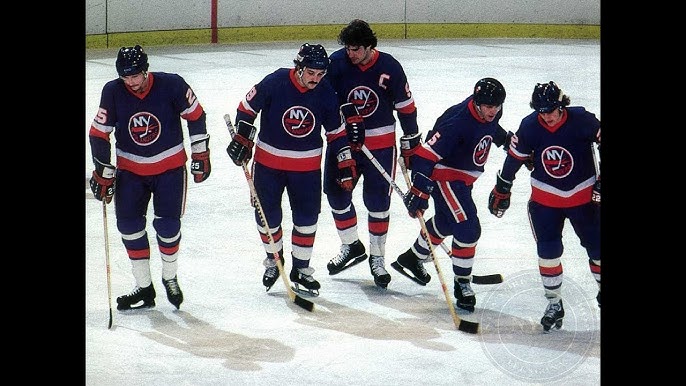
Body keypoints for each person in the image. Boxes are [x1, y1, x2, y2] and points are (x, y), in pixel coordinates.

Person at [88, 45, 211, 311]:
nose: (131, 82)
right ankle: (144, 287)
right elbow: (99, 133)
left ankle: (169, 277)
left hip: (170, 170)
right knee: (129, 227)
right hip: (131, 172)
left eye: (136, 76)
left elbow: (196, 116)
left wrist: (200, 153)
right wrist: (102, 168)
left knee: (168, 227)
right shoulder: (112, 91)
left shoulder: (172, 85)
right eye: (126, 77)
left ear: (146, 70)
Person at [227, 43, 344, 296]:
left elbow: (336, 132)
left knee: (307, 218)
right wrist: (243, 137)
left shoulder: (325, 92)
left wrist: (344, 162)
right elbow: (246, 109)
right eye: (311, 73)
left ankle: (301, 269)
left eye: (320, 74)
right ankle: (274, 260)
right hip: (269, 166)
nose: (316, 79)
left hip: (307, 168)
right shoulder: (276, 81)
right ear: (299, 68)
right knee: (267, 217)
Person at [488, 81, 601, 332]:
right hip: (545, 201)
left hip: (583, 200)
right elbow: (515, 157)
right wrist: (502, 186)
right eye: (542, 111)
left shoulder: (582, 119)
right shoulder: (530, 126)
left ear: (562, 105)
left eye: (551, 110)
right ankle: (553, 303)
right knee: (548, 251)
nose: (547, 116)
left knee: (597, 247)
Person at [394, 78, 512, 312]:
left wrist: (506, 142)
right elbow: (426, 155)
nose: (493, 111)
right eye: (488, 107)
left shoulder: (492, 111)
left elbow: (491, 129)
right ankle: (462, 284)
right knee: (468, 228)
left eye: (497, 106)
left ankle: (411, 258)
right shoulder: (458, 121)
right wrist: (419, 190)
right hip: (446, 177)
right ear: (477, 103)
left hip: (463, 179)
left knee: (448, 222)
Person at [323, 19, 422, 289]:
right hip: (343, 143)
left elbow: (405, 106)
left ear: (369, 47)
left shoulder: (389, 66)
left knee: (378, 203)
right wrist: (345, 110)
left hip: (380, 146)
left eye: (355, 49)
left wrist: (411, 138)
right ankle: (351, 245)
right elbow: (323, 97)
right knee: (336, 194)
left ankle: (377, 258)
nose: (350, 54)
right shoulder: (337, 64)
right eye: (347, 48)